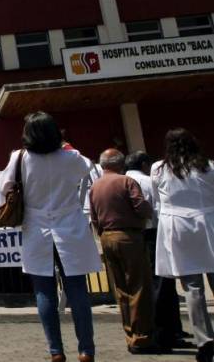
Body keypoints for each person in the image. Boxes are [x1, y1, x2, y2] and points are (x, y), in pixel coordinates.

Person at [0, 112, 100, 362]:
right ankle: (86, 349)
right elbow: (87, 167)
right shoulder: (71, 157)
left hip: (37, 227)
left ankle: (56, 350)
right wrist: (65, 145)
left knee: (44, 291)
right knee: (77, 289)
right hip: (69, 226)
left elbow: (3, 185)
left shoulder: (20, 158)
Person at [90, 149, 162, 354]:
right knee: (139, 286)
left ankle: (130, 333)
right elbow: (141, 206)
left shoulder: (95, 186)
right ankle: (142, 337)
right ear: (120, 164)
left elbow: (94, 217)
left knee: (120, 289)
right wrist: (147, 215)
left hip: (107, 237)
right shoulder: (126, 182)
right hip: (129, 236)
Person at [151, 128, 214, 362]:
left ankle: (204, 339)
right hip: (208, 221)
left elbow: (158, 200)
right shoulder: (208, 166)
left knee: (192, 287)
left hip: (178, 226)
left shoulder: (159, 169)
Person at [126, 151, 191, 349]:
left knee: (139, 284)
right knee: (163, 283)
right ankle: (167, 331)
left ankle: (150, 329)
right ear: (145, 164)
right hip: (154, 233)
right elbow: (159, 207)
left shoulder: (121, 180)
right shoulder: (147, 181)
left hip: (133, 236)